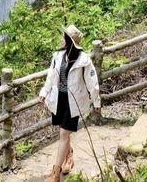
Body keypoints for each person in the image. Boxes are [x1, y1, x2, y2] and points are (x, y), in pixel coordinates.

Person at [38, 24, 101, 182]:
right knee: (63, 132)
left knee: (63, 134)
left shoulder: (83, 59)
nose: (61, 39)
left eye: (64, 37)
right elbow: (51, 76)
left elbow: (92, 82)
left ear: (69, 41)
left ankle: (55, 174)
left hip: (73, 100)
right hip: (59, 99)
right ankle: (69, 157)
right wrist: (44, 92)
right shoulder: (58, 56)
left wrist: (96, 102)